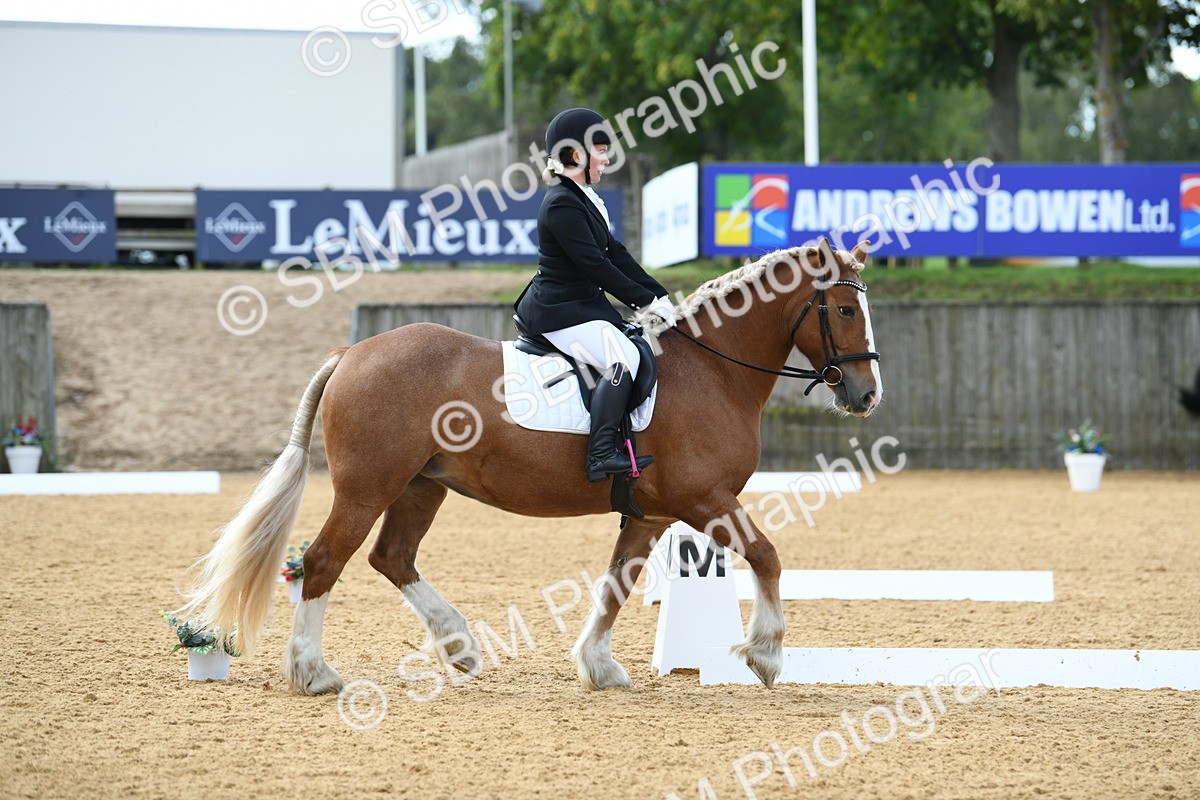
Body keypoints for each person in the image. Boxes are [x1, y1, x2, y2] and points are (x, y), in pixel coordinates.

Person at [515, 107, 677, 482]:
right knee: (624, 360)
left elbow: (616, 254)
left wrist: (659, 294)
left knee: (634, 348)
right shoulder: (561, 204)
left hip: (581, 307)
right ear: (576, 155)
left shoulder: (584, 197)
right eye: (600, 150)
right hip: (558, 311)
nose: (607, 158)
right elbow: (596, 268)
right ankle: (601, 454)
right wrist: (643, 302)